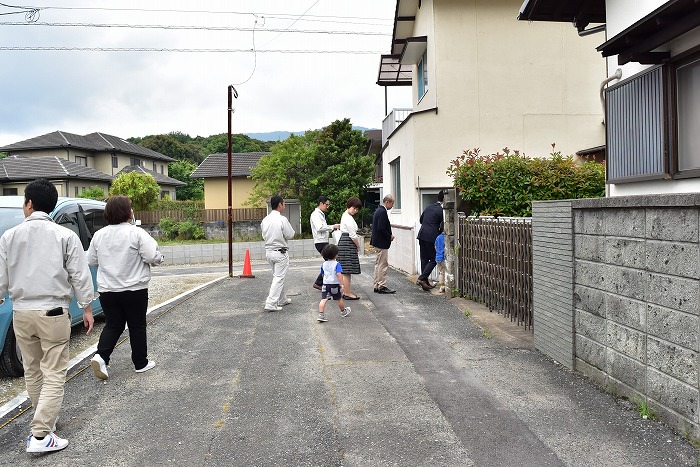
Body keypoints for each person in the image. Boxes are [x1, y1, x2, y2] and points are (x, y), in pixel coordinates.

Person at [0, 179, 95, 453]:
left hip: (21, 312)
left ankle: (46, 423)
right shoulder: (64, 236)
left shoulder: (9, 237)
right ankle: (41, 434)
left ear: (29, 204)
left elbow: (1, 281)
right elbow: (80, 275)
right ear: (51, 207)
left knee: (32, 369)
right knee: (54, 372)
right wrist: (87, 308)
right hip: (53, 312)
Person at [87, 196, 164, 381]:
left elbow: (91, 260)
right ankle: (140, 363)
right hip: (134, 289)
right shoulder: (136, 233)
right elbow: (152, 256)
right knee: (137, 326)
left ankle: (101, 356)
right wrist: (160, 258)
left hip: (108, 291)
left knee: (113, 324)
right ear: (128, 212)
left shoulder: (99, 235)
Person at [261, 195, 295, 312]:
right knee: (279, 278)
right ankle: (271, 303)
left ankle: (282, 299)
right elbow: (290, 234)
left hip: (269, 252)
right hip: (280, 252)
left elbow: (263, 236)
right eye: (283, 203)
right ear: (280, 204)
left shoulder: (265, 220)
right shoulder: (282, 219)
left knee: (277, 276)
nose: (284, 206)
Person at [416, 190, 445, 291]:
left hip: (421, 234)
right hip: (431, 237)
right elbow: (443, 225)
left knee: (424, 259)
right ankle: (421, 278)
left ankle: (425, 282)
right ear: (444, 199)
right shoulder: (442, 211)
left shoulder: (429, 207)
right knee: (433, 259)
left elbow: (421, 220)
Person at [310, 196, 339, 290]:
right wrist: (332, 227)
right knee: (331, 262)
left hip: (323, 241)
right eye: (326, 204)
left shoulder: (320, 214)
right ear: (321, 203)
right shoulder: (315, 215)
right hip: (320, 242)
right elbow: (319, 227)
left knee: (330, 262)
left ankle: (322, 283)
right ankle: (320, 283)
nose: (327, 206)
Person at [336, 196, 363, 300]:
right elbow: (353, 235)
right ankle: (347, 293)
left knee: (345, 270)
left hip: (344, 242)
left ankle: (345, 291)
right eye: (354, 208)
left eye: (357, 209)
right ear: (349, 206)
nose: (355, 210)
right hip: (348, 242)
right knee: (347, 271)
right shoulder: (348, 217)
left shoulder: (345, 215)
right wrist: (358, 246)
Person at [316, 244, 351, 322]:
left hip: (325, 284)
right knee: (339, 298)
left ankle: (321, 315)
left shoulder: (323, 264)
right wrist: (341, 284)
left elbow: (322, 274)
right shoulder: (337, 264)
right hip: (334, 284)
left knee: (323, 299)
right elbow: (339, 274)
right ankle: (343, 311)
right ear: (336, 255)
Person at [370, 194, 396, 294]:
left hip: (377, 241)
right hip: (381, 242)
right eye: (392, 203)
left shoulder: (378, 210)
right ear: (387, 202)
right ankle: (382, 285)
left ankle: (377, 284)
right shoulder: (382, 212)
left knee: (378, 264)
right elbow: (381, 228)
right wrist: (389, 236)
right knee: (382, 264)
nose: (392, 206)